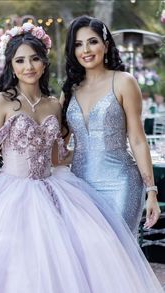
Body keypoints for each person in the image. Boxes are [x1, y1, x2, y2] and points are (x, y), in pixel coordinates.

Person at [0, 22, 163, 293]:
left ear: (44, 63)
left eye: (34, 59)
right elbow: (1, 156)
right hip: (37, 186)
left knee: (98, 256)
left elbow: (63, 155)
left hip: (86, 183)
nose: (28, 67)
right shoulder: (18, 99)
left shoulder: (60, 101)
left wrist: (147, 185)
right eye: (20, 61)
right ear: (11, 66)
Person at [61, 15, 161, 235]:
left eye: (92, 41)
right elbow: (59, 146)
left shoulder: (124, 81)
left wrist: (151, 191)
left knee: (116, 251)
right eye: (78, 44)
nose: (86, 50)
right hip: (80, 184)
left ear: (106, 46)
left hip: (121, 183)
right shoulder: (70, 90)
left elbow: (137, 139)